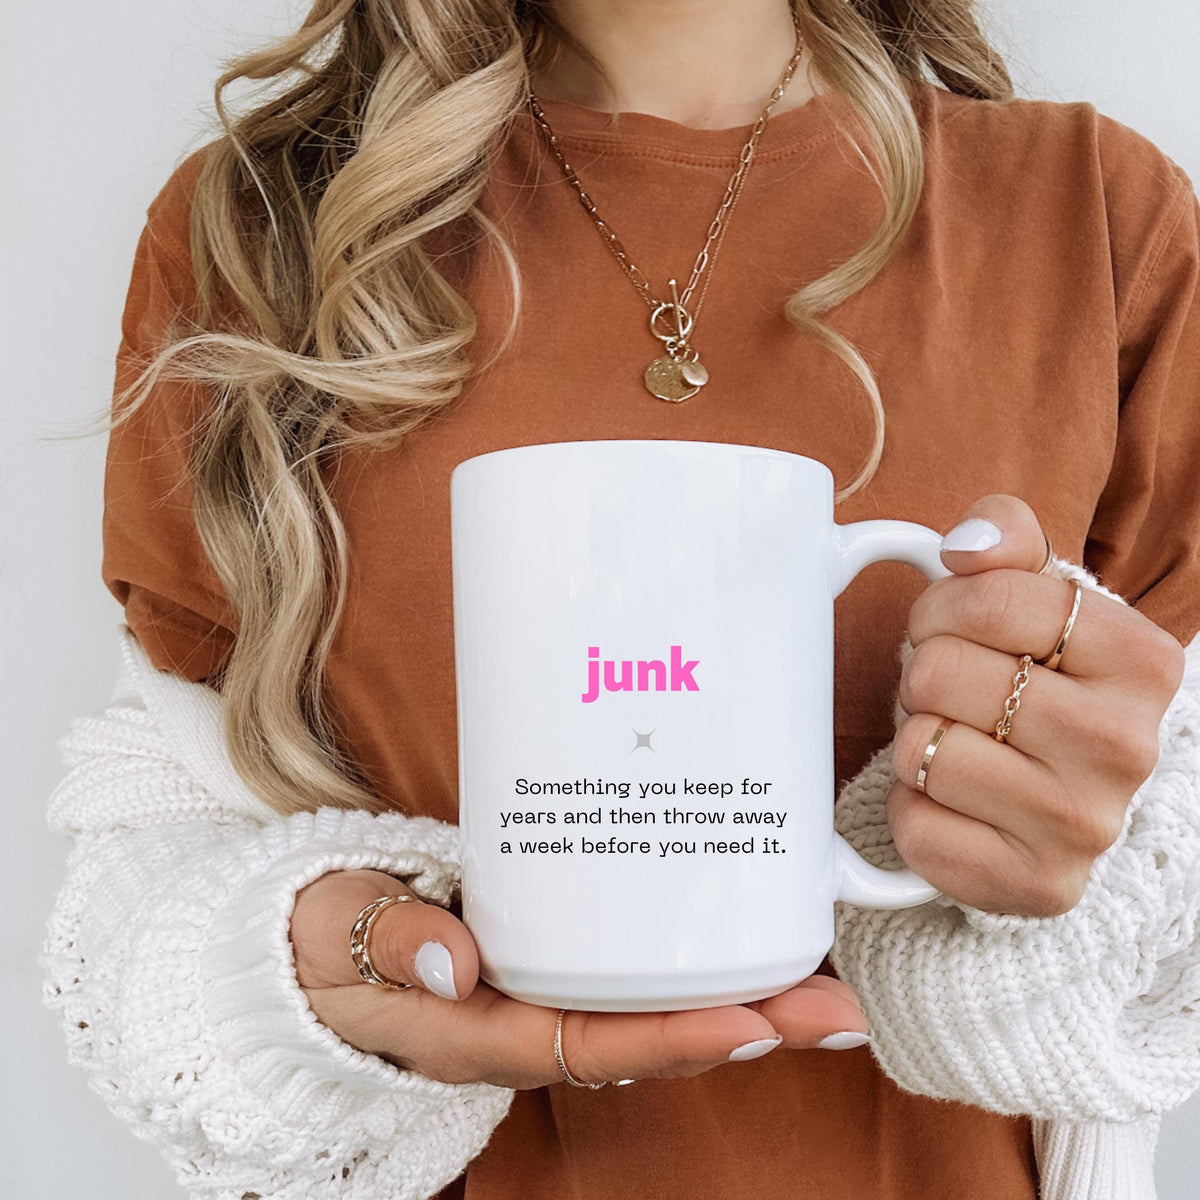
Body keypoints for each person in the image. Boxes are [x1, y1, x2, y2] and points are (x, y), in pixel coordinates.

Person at [39, 1, 1200, 1197]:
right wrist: (275, 985)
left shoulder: (1096, 218)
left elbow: (1172, 926)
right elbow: (156, 828)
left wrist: (1082, 860)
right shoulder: (264, 230)